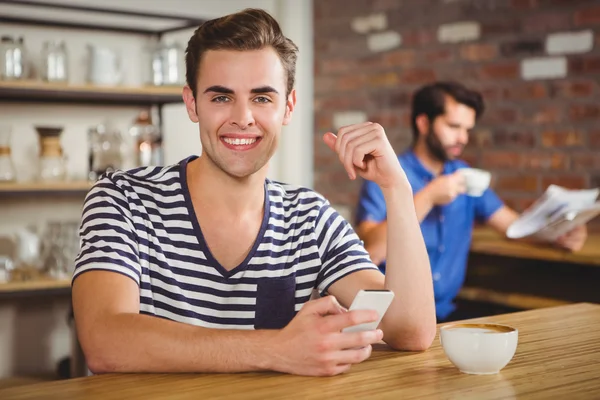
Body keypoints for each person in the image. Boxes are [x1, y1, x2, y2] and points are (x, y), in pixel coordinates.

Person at [71, 9, 436, 377]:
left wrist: (398, 188)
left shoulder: (310, 217)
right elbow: (105, 341)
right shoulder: (122, 199)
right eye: (221, 98)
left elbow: (411, 330)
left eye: (262, 98)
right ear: (192, 103)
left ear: (288, 107)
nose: (243, 117)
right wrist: (277, 349)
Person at [355, 81, 588, 323]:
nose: (463, 138)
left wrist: (557, 236)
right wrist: (429, 196)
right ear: (423, 123)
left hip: (445, 314)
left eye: (467, 129)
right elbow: (373, 250)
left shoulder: (465, 175)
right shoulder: (386, 174)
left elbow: (514, 227)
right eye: (454, 126)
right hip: (392, 316)